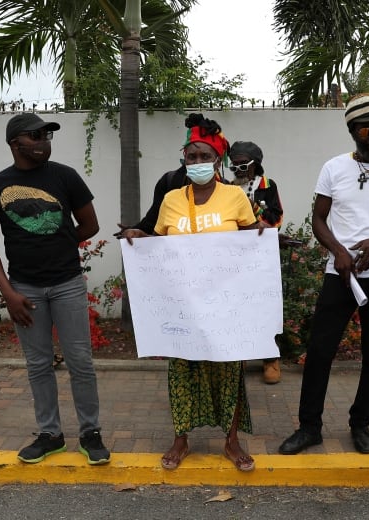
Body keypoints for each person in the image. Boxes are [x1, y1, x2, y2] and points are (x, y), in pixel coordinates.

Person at [121, 115, 267, 472]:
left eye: (204, 156)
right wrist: (141, 237)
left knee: (229, 372)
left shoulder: (234, 197)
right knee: (182, 372)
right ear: (183, 160)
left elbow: (249, 239)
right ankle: (180, 439)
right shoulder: (171, 199)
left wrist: (261, 231)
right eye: (191, 157)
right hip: (182, 306)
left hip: (225, 306)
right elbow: (160, 242)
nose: (197, 163)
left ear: (217, 160)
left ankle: (231, 442)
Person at [279, 93, 369, 456]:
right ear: (354, 131)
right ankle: (309, 427)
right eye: (368, 129)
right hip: (339, 274)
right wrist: (338, 251)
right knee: (320, 350)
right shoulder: (333, 168)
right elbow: (319, 219)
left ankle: (361, 424)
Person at [0, 113, 111, 466]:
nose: (43, 141)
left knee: (81, 362)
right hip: (24, 289)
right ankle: (50, 434)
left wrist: (59, 244)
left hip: (66, 284)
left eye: (47, 135)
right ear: (15, 143)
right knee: (38, 365)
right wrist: (8, 293)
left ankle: (90, 432)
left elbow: (90, 225)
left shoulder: (65, 176)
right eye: (35, 136)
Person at [229, 140, 284, 384]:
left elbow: (277, 217)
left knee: (264, 306)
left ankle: (270, 358)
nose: (239, 168)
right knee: (236, 306)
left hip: (262, 257)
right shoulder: (227, 188)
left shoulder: (268, 186)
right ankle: (238, 356)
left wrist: (254, 209)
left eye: (243, 164)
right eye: (235, 164)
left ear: (255, 165)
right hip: (234, 257)